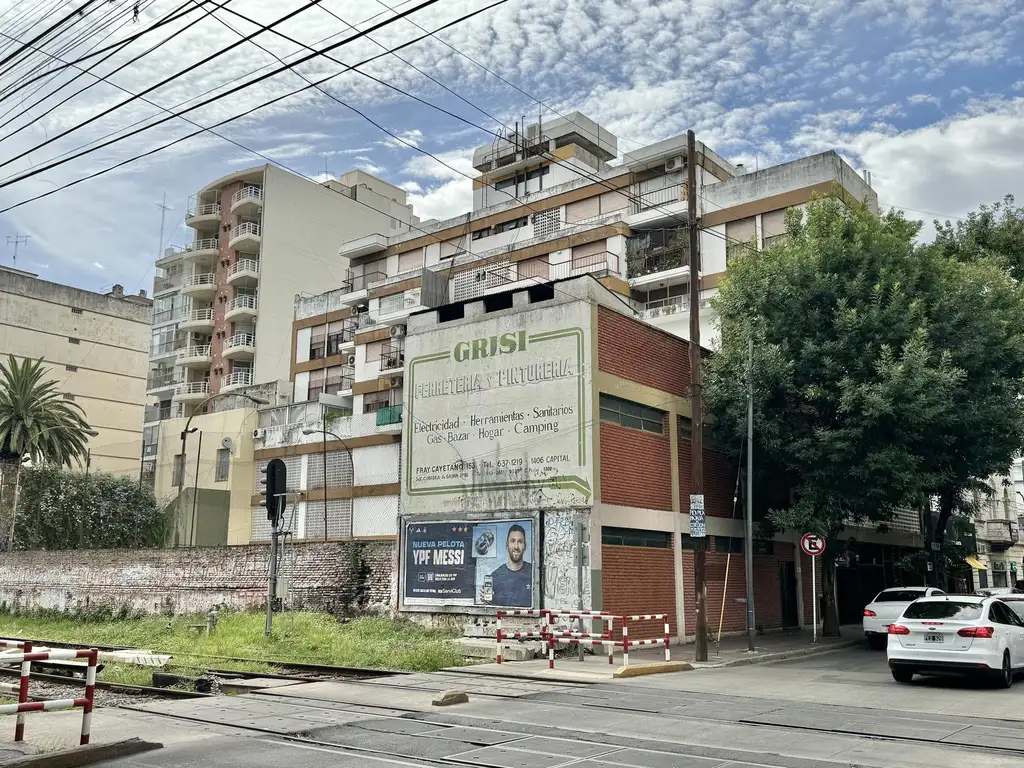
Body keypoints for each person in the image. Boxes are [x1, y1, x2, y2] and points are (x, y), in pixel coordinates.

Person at [489, 524, 532, 607]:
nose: (516, 546)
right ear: (507, 545)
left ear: (525, 546)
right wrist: (487, 602)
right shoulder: (496, 576)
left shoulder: (533, 573)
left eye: (520, 542)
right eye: (512, 541)